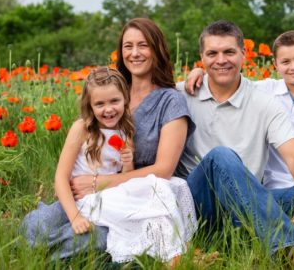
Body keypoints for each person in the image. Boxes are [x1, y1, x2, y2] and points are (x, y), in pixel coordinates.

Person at [175, 20, 294, 269]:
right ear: (202, 58)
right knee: (220, 156)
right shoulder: (181, 95)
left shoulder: (264, 100)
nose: (221, 60)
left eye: (229, 52)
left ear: (243, 54)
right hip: (200, 209)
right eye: (212, 53)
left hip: (245, 205)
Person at [21, 18, 197, 263]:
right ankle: (53, 242)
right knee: (36, 228)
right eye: (128, 46)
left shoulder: (170, 100)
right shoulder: (113, 89)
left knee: (96, 239)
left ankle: (57, 253)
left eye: (143, 45)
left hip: (133, 196)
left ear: (157, 49)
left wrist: (98, 183)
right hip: (85, 198)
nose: (135, 53)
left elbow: (163, 170)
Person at [186, 30, 294, 201]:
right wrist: (200, 72)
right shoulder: (266, 90)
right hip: (276, 185)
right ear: (275, 64)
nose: (293, 67)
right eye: (285, 62)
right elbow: (228, 78)